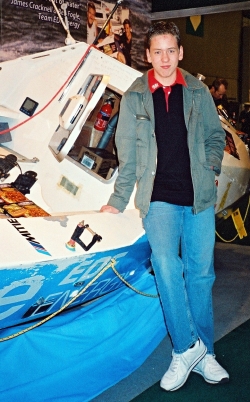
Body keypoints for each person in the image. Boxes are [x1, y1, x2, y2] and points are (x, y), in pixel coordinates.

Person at [101, 21, 229, 392]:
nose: (165, 58)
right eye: (157, 51)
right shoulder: (135, 96)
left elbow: (215, 136)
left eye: (171, 50)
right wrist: (117, 201)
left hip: (198, 197)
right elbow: (127, 157)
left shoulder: (198, 91)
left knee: (201, 274)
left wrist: (210, 167)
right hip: (158, 198)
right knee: (166, 266)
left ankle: (206, 354)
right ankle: (184, 347)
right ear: (147, 55)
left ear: (181, 52)